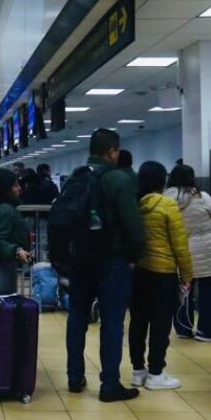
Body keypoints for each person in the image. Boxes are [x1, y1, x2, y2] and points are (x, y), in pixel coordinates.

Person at [66, 128, 145, 402]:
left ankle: (74, 377)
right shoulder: (119, 180)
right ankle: (110, 383)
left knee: (77, 317)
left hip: (79, 260)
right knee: (111, 322)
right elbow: (133, 225)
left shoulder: (76, 178)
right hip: (112, 260)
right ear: (112, 151)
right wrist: (134, 255)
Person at [130, 161, 194, 391]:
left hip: (138, 271)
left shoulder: (134, 204)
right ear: (162, 180)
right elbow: (180, 245)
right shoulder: (168, 206)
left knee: (137, 322)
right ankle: (156, 373)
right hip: (163, 273)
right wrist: (187, 274)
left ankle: (138, 372)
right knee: (160, 324)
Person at [165, 164, 211, 342]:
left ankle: (183, 329)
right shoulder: (202, 197)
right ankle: (207, 331)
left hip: (179, 249)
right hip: (209, 250)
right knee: (210, 291)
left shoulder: (165, 199)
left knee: (183, 291)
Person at [0, 168, 31, 294]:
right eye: (15, 185)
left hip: (0, 263)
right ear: (6, 190)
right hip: (1, 265)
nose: (19, 188)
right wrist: (17, 250)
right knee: (5, 303)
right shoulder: (4, 210)